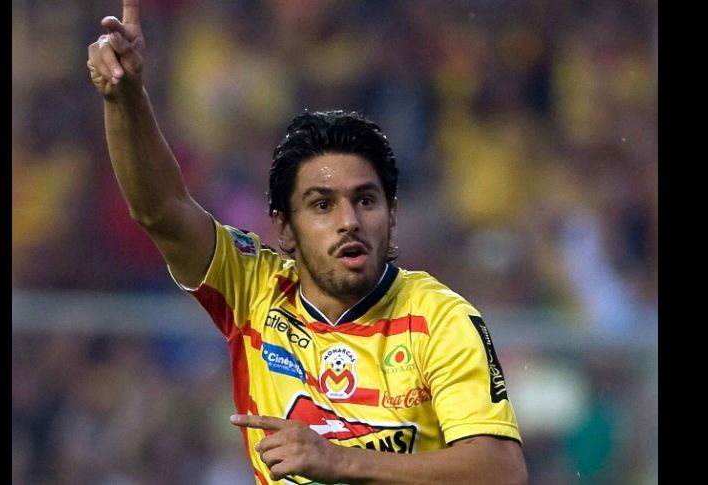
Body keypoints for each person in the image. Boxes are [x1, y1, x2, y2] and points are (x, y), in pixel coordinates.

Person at [87, 1, 528, 483]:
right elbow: (161, 210)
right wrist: (124, 98)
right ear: (283, 227)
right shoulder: (253, 290)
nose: (349, 222)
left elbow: (500, 473)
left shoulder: (441, 319)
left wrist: (338, 460)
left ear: (392, 215)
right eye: (322, 205)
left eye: (366, 201)